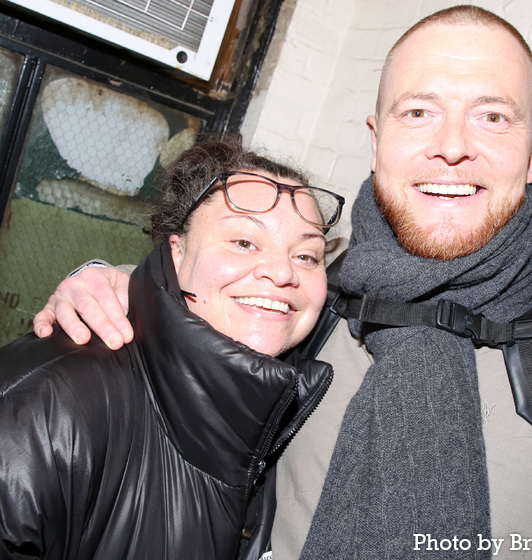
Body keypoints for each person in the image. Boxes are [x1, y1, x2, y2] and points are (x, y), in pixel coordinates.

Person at [31, 6, 532, 560]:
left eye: (492, 117)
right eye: (418, 113)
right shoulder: (306, 300)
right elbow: (187, 328)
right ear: (377, 140)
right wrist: (113, 280)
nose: (453, 146)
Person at [0, 137, 346, 559]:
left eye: (307, 256)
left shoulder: (272, 410)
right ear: (176, 252)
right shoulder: (49, 404)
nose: (281, 272)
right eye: (244, 242)